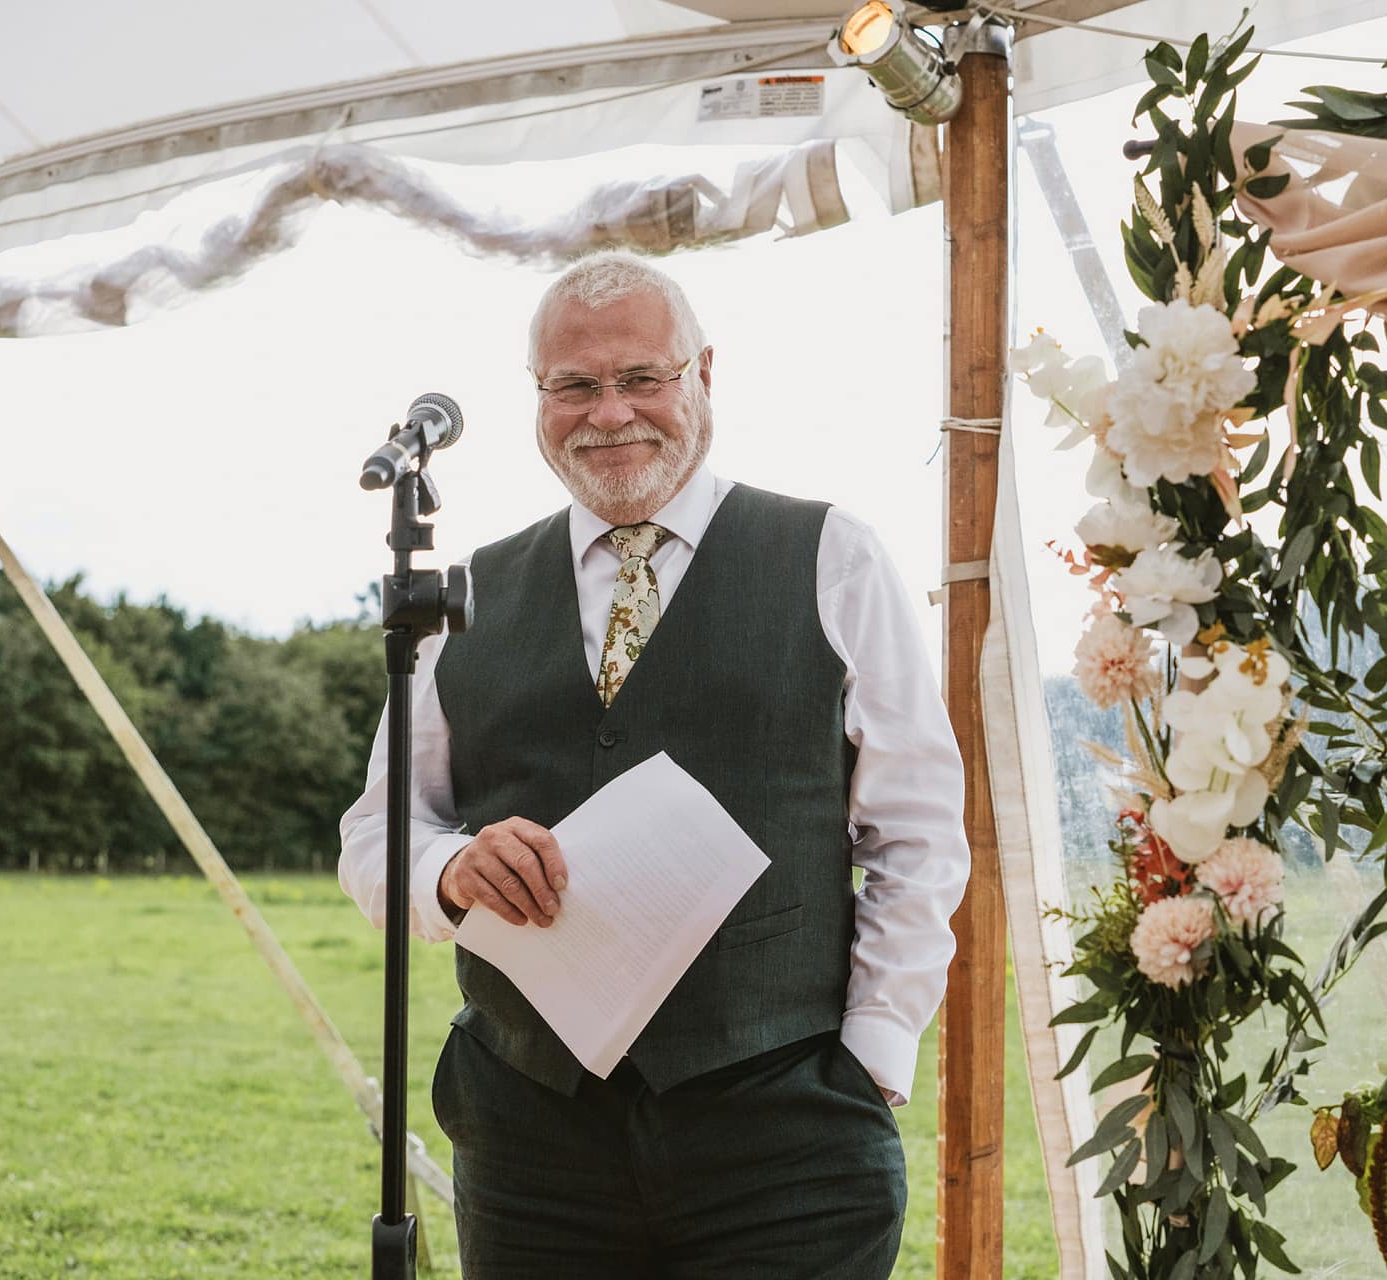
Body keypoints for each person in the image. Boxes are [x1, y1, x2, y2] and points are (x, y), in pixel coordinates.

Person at [337, 250, 969, 1279]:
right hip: (531, 1136)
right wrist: (445, 871)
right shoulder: (466, 595)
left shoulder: (832, 555)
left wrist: (874, 1049)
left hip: (786, 1127)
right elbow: (376, 832)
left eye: (642, 378)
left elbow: (917, 829)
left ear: (703, 374)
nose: (610, 412)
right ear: (536, 397)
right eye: (574, 386)